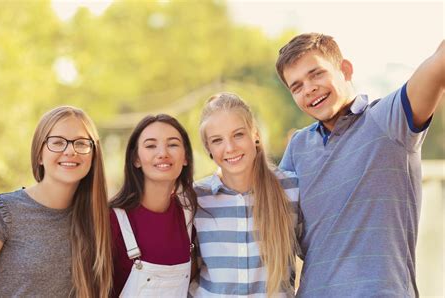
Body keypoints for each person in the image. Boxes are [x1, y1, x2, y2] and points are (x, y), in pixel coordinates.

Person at [275, 33, 445, 297]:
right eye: (296, 86)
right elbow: (270, 223)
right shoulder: (297, 147)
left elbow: (439, 64)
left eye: (316, 74)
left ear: (345, 69)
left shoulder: (389, 120)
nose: (309, 89)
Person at [0, 106, 112, 297]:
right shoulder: (4, 212)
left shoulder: (99, 220)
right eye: (58, 142)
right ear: (39, 154)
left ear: (94, 155)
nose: (70, 151)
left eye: (81, 143)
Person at [189, 92, 300, 297]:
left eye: (238, 134)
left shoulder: (291, 190)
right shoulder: (195, 199)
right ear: (208, 149)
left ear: (255, 134)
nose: (230, 148)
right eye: (217, 140)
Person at [109, 114, 197, 297]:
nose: (163, 153)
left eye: (172, 144)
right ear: (136, 159)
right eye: (150, 146)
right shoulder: (111, 220)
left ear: (186, 157)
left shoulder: (189, 216)